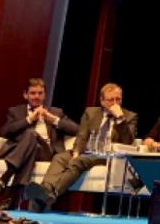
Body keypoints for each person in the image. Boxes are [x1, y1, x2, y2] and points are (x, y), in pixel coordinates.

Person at [25, 82, 138, 211]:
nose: (115, 103)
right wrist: (76, 152)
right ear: (102, 101)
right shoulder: (91, 112)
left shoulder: (129, 116)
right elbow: (82, 135)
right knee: (60, 157)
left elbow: (128, 141)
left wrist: (120, 118)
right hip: (88, 151)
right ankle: (45, 192)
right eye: (110, 100)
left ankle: (51, 194)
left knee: (77, 161)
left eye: (118, 99)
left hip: (108, 156)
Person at [0, 78, 79, 193]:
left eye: (40, 93)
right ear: (25, 95)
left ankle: (6, 177)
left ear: (44, 95)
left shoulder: (56, 112)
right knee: (31, 137)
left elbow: (77, 130)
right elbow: (5, 131)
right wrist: (28, 120)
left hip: (46, 152)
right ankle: (14, 195)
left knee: (31, 134)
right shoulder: (15, 111)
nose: (37, 96)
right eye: (33, 93)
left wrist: (53, 119)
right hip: (23, 150)